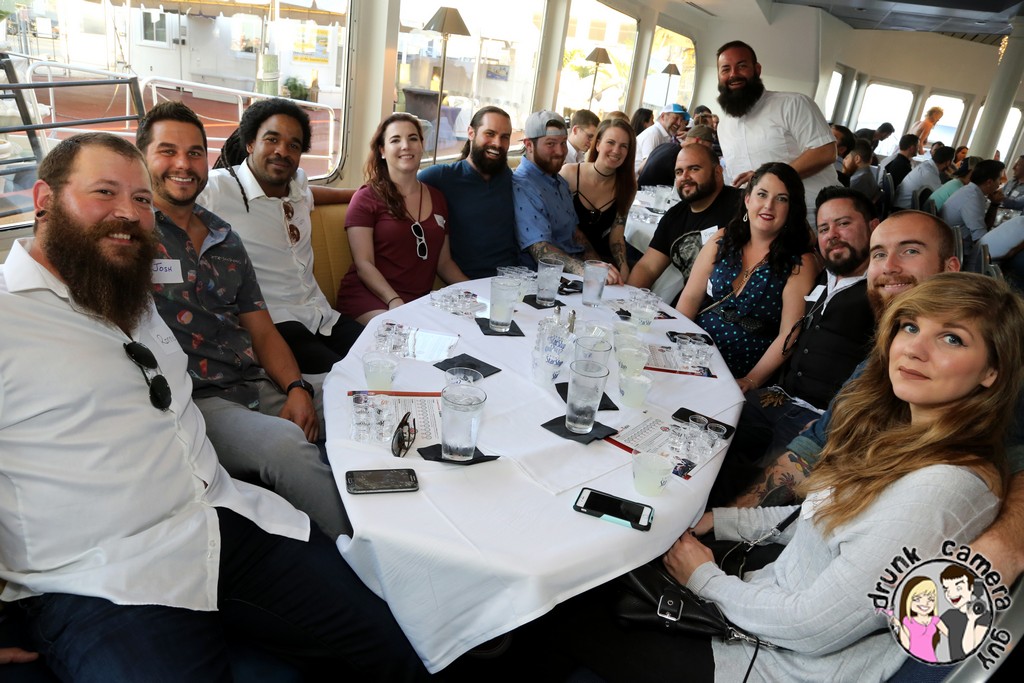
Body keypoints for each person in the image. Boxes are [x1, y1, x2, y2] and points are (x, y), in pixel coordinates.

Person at [0, 132, 428, 681]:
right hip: (100, 577)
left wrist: (295, 386)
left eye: (140, 200)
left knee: (399, 645)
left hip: (221, 520)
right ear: (44, 200)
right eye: (104, 192)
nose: (128, 213)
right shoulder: (11, 320)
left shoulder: (128, 296)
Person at [547, 271, 1024, 683]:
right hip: (759, 601)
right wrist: (721, 521)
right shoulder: (904, 436)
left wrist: (703, 578)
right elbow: (821, 519)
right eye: (910, 327)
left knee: (557, 609)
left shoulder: (941, 489)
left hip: (766, 663)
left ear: (992, 371)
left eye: (952, 338)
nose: (915, 349)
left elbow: (813, 628)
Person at [137, 102, 349, 539]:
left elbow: (262, 329)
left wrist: (297, 388)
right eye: (167, 151)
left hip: (255, 381)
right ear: (142, 157)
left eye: (195, 152)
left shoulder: (225, 238)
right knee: (287, 446)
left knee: (360, 397)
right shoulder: (128, 239)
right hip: (197, 402)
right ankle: (364, 553)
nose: (183, 164)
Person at [712, 186, 877, 505]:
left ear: (873, 227)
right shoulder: (822, 277)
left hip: (815, 420)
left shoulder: (880, 292)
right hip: (775, 399)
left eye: (844, 224)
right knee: (701, 432)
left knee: (753, 491)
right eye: (824, 228)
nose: (832, 235)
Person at [201, 98, 363, 373]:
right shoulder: (217, 189)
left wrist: (363, 194)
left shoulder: (297, 186)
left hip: (323, 317)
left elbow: (311, 194)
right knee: (348, 379)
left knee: (388, 357)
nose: (282, 151)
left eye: (293, 145)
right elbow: (168, 201)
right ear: (250, 143)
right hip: (273, 325)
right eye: (272, 140)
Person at [675, 161, 818, 385]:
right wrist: (674, 341)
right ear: (748, 199)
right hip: (692, 353)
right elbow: (690, 297)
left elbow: (788, 335)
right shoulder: (723, 239)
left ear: (791, 209)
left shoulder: (800, 263)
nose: (769, 205)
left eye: (781, 199)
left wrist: (751, 380)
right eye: (762, 194)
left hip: (741, 372)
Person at [338, 113, 467, 324]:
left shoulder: (437, 198)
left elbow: (443, 263)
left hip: (416, 302)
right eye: (395, 140)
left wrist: (472, 289)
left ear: (421, 146)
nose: (406, 146)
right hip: (372, 298)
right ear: (382, 151)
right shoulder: (366, 198)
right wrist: (394, 300)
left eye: (413, 138)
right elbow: (364, 263)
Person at [714, 40, 838, 225]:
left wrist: (767, 178)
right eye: (725, 69)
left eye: (742, 66)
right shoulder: (723, 127)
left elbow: (825, 151)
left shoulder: (793, 104)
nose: (733, 74)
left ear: (757, 69)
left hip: (813, 218)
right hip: (761, 225)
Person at [513, 110, 620, 282]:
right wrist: (588, 271)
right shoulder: (522, 185)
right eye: (550, 144)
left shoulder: (559, 181)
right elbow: (541, 251)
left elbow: (575, 234)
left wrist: (597, 264)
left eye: (563, 143)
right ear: (529, 145)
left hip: (574, 274)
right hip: (544, 281)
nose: (560, 151)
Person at [417, 106, 518, 279]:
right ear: (471, 133)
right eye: (490, 134)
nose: (497, 143)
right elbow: (401, 188)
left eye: (505, 137)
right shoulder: (441, 177)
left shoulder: (511, 179)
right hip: (467, 284)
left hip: (512, 281)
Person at [627, 144, 741, 295]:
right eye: (679, 172)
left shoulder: (743, 204)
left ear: (718, 172)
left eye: (694, 169)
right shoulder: (674, 217)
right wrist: (626, 299)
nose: (685, 177)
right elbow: (648, 267)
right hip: (692, 302)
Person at [558, 118, 637, 279]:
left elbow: (616, 237)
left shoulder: (628, 187)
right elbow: (563, 227)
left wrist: (624, 268)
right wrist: (596, 265)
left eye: (624, 146)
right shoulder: (570, 174)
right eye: (611, 142)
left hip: (600, 258)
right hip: (566, 256)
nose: (616, 150)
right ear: (598, 144)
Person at [940, 158, 1005, 263]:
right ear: (989, 182)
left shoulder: (971, 191)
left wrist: (994, 204)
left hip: (954, 243)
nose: (1000, 183)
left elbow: (984, 227)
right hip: (957, 252)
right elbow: (981, 239)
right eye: (999, 179)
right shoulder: (972, 198)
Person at [939, 564, 991, 661]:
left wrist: (971, 620)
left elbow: (969, 650)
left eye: (958, 588)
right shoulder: (949, 614)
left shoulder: (984, 616)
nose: (951, 594)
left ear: (971, 587)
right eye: (947, 589)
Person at [894, 577, 947, 663]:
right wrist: (898, 626)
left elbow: (951, 635)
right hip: (912, 660)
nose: (925, 603)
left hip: (932, 659)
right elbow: (906, 645)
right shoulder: (908, 621)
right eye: (917, 599)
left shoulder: (935, 620)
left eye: (931, 599)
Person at [634, 103, 686, 173]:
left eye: (681, 120)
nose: (679, 123)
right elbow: (646, 168)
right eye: (676, 118)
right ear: (663, 116)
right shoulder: (653, 134)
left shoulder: (666, 135)